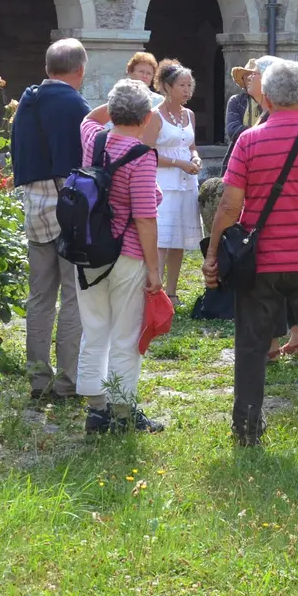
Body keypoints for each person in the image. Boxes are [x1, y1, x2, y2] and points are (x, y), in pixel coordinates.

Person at [203, 61, 298, 445]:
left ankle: (247, 429)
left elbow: (228, 206)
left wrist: (211, 254)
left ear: (267, 99)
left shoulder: (249, 141)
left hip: (261, 262)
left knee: (252, 347)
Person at [74, 80, 166, 435]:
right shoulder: (141, 156)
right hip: (125, 254)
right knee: (125, 335)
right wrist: (154, 271)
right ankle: (124, 413)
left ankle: (96, 411)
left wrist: (115, 101)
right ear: (145, 118)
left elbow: (89, 117)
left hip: (86, 250)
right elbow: (145, 217)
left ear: (113, 113)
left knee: (94, 328)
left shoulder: (92, 139)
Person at [10, 38, 91, 401]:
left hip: (33, 203)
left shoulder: (28, 100)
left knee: (40, 295)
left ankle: (38, 378)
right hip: (67, 203)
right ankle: (68, 381)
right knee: (73, 296)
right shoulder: (75, 104)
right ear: (80, 70)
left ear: (47, 68)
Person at [152, 60, 204, 301]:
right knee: (162, 239)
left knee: (179, 240)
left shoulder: (189, 115)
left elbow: (191, 146)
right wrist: (178, 163)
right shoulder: (155, 116)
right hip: (164, 183)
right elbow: (147, 152)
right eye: (182, 85)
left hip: (187, 183)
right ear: (166, 86)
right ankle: (156, 291)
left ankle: (171, 292)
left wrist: (195, 157)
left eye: (189, 85)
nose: (187, 90)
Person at [86, 51, 160, 125]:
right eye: (141, 72)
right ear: (130, 72)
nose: (145, 76)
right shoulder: (118, 96)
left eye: (149, 73)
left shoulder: (159, 101)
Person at [226, 55, 282, 145]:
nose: (249, 77)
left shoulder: (281, 108)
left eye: (254, 73)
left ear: (266, 79)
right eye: (246, 76)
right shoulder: (238, 101)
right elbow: (234, 132)